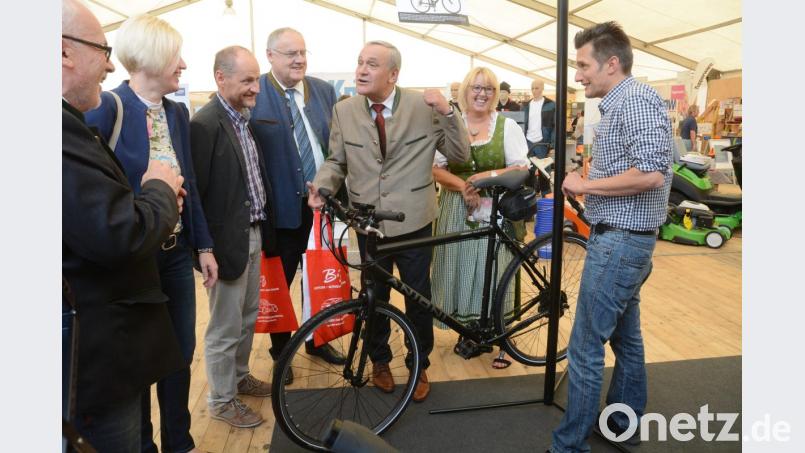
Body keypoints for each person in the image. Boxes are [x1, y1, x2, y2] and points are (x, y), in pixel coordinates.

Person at [308, 40, 470, 402]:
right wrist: (322, 186)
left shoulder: (423, 107)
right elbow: (337, 161)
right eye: (359, 62)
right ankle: (379, 360)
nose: (362, 70)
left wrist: (448, 112)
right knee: (373, 296)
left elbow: (459, 155)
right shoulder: (344, 110)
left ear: (393, 74)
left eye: (372, 64)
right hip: (368, 225)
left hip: (414, 222)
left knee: (418, 298)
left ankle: (419, 363)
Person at [85, 14, 215, 453]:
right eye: (175, 55)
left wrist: (205, 245)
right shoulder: (108, 108)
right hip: (133, 259)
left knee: (180, 353)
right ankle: (143, 445)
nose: (182, 64)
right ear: (153, 57)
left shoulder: (177, 113)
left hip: (176, 255)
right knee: (139, 361)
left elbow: (189, 182)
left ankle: (180, 442)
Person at [62, 0, 186, 450]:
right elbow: (117, 231)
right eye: (102, 48)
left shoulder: (175, 112)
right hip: (101, 352)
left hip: (131, 315)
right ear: (64, 53)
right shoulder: (80, 121)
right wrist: (158, 188)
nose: (110, 63)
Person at [548, 22, 673, 453]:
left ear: (611, 64)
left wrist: (586, 186)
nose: (578, 74)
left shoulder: (635, 100)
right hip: (626, 240)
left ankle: (569, 447)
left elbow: (654, 173)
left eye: (583, 65)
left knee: (584, 348)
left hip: (621, 243)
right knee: (626, 339)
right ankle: (622, 422)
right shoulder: (621, 102)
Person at [190, 46, 275, 429]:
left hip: (252, 235)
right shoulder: (205, 125)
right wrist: (205, 247)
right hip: (225, 244)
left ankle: (239, 377)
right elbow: (197, 194)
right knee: (224, 328)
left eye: (256, 79)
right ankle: (222, 400)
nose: (256, 87)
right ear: (220, 78)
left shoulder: (241, 119)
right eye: (247, 80)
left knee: (246, 317)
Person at [250, 27, 346, 368]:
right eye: (291, 53)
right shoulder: (256, 91)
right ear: (270, 56)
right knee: (282, 279)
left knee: (318, 276)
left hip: (323, 206)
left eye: (303, 52)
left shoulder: (322, 90)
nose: (299, 59)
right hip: (282, 210)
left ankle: (317, 339)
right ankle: (281, 352)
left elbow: (336, 144)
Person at [430, 67, 528, 369]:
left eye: (488, 89)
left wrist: (481, 178)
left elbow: (521, 168)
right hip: (457, 209)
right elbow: (434, 169)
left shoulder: (506, 126)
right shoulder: (452, 125)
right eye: (476, 87)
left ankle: (503, 337)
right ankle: (470, 331)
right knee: (461, 269)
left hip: (496, 208)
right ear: (465, 92)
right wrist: (464, 186)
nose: (482, 93)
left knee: (497, 271)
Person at [522, 79, 556, 158]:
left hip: (542, 143)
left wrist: (552, 145)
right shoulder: (525, 106)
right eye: (532, 88)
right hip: (527, 142)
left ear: (542, 88)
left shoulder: (551, 105)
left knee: (543, 169)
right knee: (527, 168)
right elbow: (521, 125)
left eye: (536, 88)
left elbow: (555, 126)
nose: (534, 91)